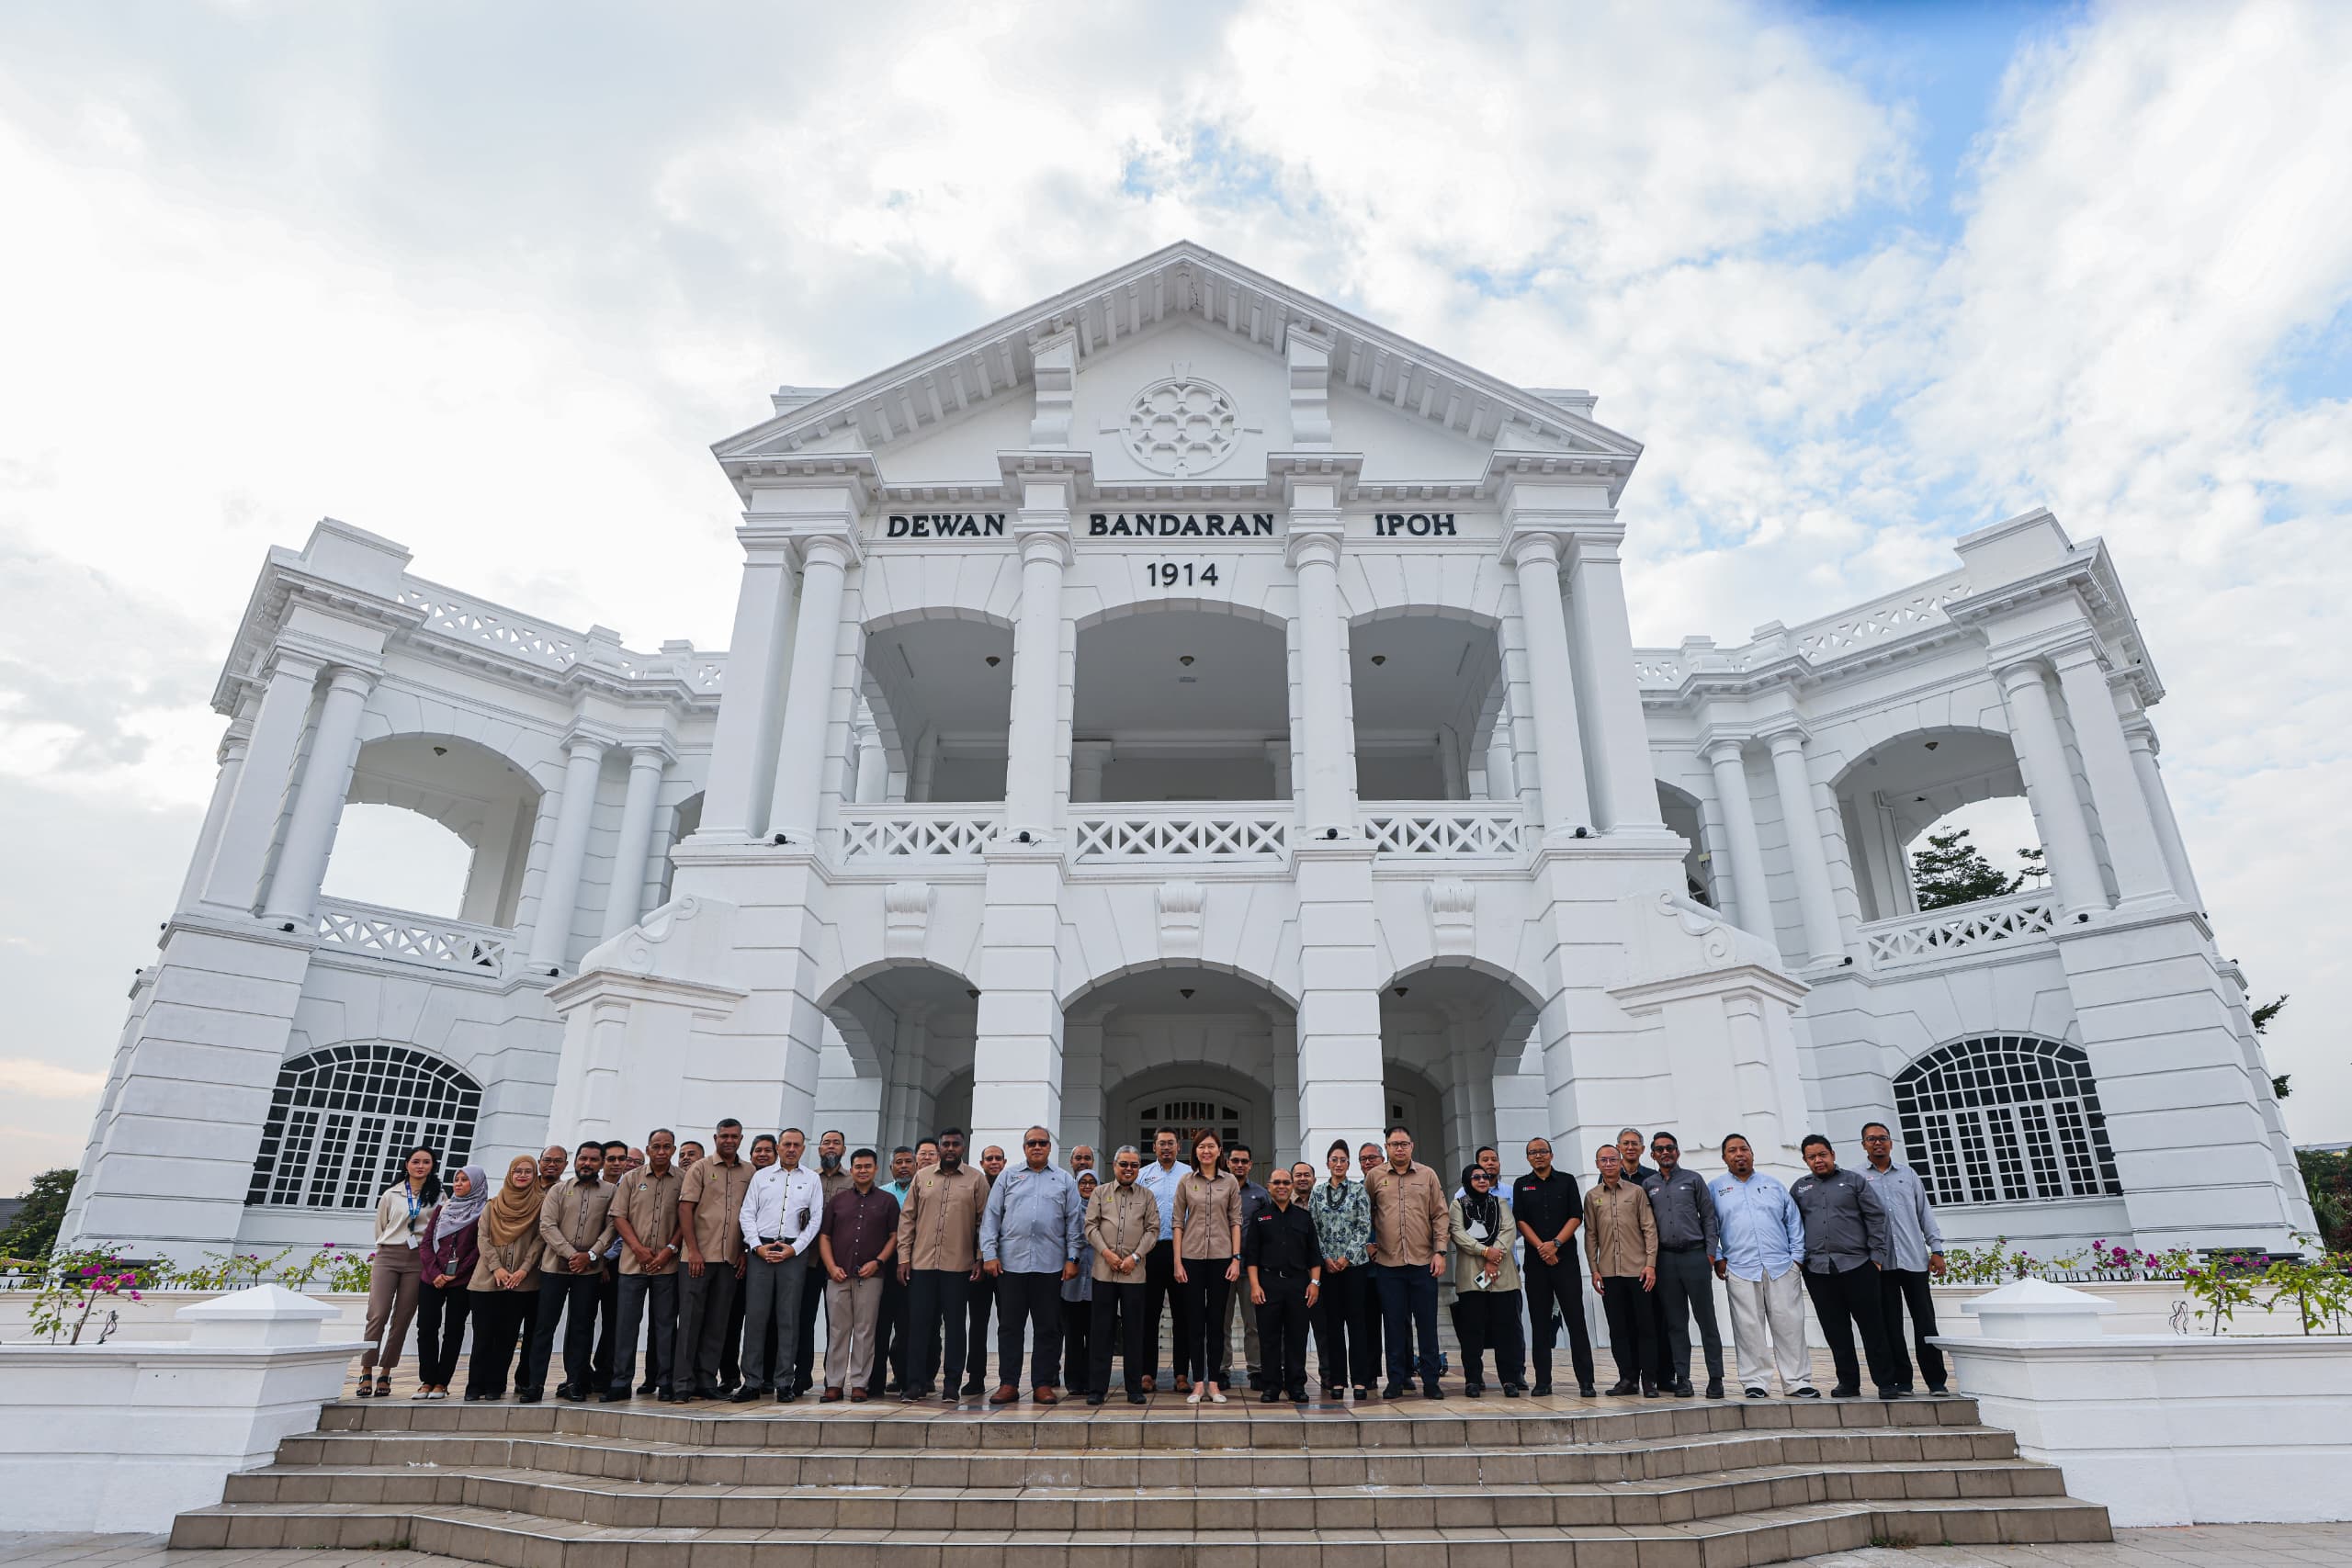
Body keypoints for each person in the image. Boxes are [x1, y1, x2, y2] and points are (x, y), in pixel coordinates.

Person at [1791, 1134, 1902, 1398]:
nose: (1818, 1160)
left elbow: (1876, 1217)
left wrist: (1876, 1257)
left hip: (1858, 1266)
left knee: (1873, 1327)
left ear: (1832, 1154)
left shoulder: (1854, 1181)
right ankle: (1848, 1383)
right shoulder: (1799, 1189)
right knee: (1835, 1330)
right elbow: (1791, 1224)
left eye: (1822, 1155)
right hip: (1818, 1271)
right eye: (1812, 1157)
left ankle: (1886, 1383)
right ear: (1805, 1160)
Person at [981, 1125, 1084, 1404]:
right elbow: (992, 1217)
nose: (1037, 1147)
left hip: (1050, 1266)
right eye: (1031, 1143)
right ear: (1024, 1147)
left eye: (1042, 1143)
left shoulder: (1064, 1180)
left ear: (1050, 1147)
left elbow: (1074, 1223)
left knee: (1048, 1328)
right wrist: (989, 1254)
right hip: (1011, 1265)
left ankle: (1042, 1384)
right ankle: (1008, 1383)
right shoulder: (1008, 1177)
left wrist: (1073, 1257)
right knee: (1010, 1327)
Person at [1710, 1133, 1816, 1399]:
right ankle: (1755, 1381)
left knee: (1790, 1325)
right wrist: (1718, 1256)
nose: (1739, 1154)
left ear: (1752, 1153)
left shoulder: (1773, 1185)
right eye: (1732, 1150)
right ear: (1724, 1158)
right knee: (1748, 1328)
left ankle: (1797, 1381)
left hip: (1781, 1267)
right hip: (1740, 1268)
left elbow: (1793, 1221)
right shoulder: (1715, 1189)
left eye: (1744, 1149)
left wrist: (1796, 1259)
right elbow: (1709, 1227)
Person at [898, 1127, 989, 1403]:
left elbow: (984, 1222)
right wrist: (904, 1257)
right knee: (919, 1326)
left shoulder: (976, 1179)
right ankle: (915, 1383)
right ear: (939, 1147)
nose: (950, 1148)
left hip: (958, 1267)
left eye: (955, 1144)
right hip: (922, 1265)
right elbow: (907, 1219)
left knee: (956, 1327)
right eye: (945, 1144)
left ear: (963, 1148)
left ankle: (952, 1384)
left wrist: (980, 1257)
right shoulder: (922, 1177)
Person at [1860, 1122, 1948, 1395]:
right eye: (1872, 1139)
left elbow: (1924, 1213)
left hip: (1914, 1260)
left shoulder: (1908, 1175)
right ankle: (1903, 1380)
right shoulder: (1857, 1178)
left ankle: (1936, 1380)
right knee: (1891, 1325)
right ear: (1863, 1145)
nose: (1878, 1143)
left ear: (1891, 1143)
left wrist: (1937, 1250)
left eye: (1883, 1138)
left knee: (1925, 1321)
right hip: (1881, 1264)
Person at [737, 1128, 822, 1403]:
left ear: (803, 1148)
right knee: (756, 1317)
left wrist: (795, 1249)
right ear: (778, 1147)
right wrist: (756, 1245)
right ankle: (751, 1381)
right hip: (760, 1251)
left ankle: (784, 1381)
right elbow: (747, 1214)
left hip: (793, 1253)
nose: (791, 1149)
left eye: (797, 1145)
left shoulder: (812, 1179)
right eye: (787, 1144)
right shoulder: (761, 1177)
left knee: (789, 1318)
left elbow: (816, 1219)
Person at [529, 1141, 615, 1403]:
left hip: (589, 1272)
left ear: (601, 1163)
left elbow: (612, 1227)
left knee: (581, 1327)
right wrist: (571, 1255)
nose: (587, 1163)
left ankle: (575, 1382)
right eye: (582, 1158)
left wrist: (590, 1256)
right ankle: (535, 1384)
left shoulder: (611, 1191)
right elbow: (547, 1226)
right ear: (575, 1161)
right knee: (544, 1326)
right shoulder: (558, 1189)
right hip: (554, 1268)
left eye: (593, 1159)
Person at [1643, 1131, 1725, 1399]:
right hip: (1666, 1260)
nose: (1665, 1152)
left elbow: (1709, 1217)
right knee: (1676, 1323)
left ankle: (1716, 1378)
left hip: (1695, 1256)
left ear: (1677, 1152)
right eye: (1659, 1149)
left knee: (1707, 1320)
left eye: (1670, 1148)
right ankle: (1683, 1379)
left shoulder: (1693, 1179)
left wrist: (1710, 1254)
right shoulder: (1648, 1185)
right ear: (1653, 1155)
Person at [1368, 1124, 1449, 1400]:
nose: (1399, 1149)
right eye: (1394, 1144)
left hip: (1423, 1262)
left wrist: (1440, 1252)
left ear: (1412, 1146)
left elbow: (1440, 1215)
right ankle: (1395, 1380)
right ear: (1387, 1148)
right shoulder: (1375, 1177)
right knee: (1393, 1326)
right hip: (1388, 1264)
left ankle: (1431, 1381)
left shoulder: (1427, 1175)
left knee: (1426, 1326)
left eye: (1404, 1144)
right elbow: (1365, 1214)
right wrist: (1368, 1245)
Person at [1513, 1136, 1597, 1398]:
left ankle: (1586, 1381)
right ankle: (1543, 1382)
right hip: (1537, 1263)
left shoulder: (1567, 1181)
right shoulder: (1521, 1184)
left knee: (1576, 1321)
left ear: (1551, 1154)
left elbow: (1576, 1216)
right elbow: (1520, 1220)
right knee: (1539, 1324)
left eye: (1542, 1151)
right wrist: (1542, 1247)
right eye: (1533, 1152)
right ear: (1528, 1158)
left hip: (1565, 1261)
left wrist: (1556, 1244)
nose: (1538, 1155)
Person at [676, 1119, 752, 1400]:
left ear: (741, 1139)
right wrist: (693, 1250)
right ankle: (682, 1384)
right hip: (698, 1258)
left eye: (734, 1136)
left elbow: (750, 1215)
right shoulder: (700, 1168)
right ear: (715, 1138)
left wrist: (743, 1251)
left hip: (729, 1260)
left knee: (717, 1324)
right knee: (690, 1323)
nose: (729, 1140)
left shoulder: (749, 1172)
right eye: (724, 1136)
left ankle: (706, 1382)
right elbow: (685, 1209)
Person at [358, 1145, 441, 1398]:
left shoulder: (439, 1195)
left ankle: (385, 1372)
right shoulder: (391, 1194)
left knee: (403, 1317)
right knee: (378, 1313)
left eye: (426, 1162)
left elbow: (439, 1228)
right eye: (416, 1161)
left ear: (432, 1166)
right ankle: (366, 1369)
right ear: (407, 1164)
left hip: (419, 1259)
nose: (420, 1166)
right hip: (389, 1255)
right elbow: (380, 1226)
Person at [817, 1146, 899, 1402]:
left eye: (867, 1166)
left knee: (865, 1331)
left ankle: (860, 1384)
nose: (863, 1171)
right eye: (858, 1167)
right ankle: (834, 1383)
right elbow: (824, 1236)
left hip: (871, 1277)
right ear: (851, 1170)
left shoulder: (887, 1201)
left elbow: (895, 1236)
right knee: (838, 1331)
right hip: (838, 1276)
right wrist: (831, 1267)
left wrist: (878, 1262)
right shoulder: (838, 1201)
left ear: (876, 1169)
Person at [609, 1129, 683, 1402]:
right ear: (648, 1149)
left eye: (666, 1146)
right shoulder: (631, 1178)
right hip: (632, 1264)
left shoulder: (683, 1179)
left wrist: (668, 1251)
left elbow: (686, 1219)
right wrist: (639, 1249)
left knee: (665, 1325)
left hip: (667, 1265)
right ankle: (620, 1382)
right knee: (626, 1325)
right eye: (656, 1146)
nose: (661, 1151)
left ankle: (665, 1382)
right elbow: (619, 1216)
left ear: (673, 1150)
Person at [464, 1156, 545, 1401]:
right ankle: (474, 1386)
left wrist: (524, 1269)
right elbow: (483, 1238)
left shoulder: (541, 1204)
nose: (522, 1175)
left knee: (507, 1338)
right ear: (510, 1174)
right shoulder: (493, 1205)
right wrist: (497, 1268)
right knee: (482, 1337)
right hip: (487, 1280)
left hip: (521, 1282)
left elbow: (540, 1239)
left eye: (528, 1171)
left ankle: (495, 1386)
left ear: (534, 1175)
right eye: (517, 1171)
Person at [1172, 1129, 1242, 1404]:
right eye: (1201, 1146)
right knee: (1194, 1323)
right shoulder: (1186, 1181)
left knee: (1216, 1322)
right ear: (1195, 1151)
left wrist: (1236, 1258)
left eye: (1211, 1146)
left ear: (1219, 1151)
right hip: (1191, 1258)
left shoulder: (1230, 1181)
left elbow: (1236, 1221)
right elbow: (1177, 1222)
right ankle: (1198, 1384)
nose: (1206, 1151)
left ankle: (1214, 1383)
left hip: (1221, 1258)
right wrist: (1177, 1262)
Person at [1084, 1146, 1157, 1405]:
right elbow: (1090, 1226)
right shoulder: (1100, 1193)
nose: (1128, 1169)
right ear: (1114, 1166)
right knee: (1101, 1331)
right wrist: (1107, 1254)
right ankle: (1097, 1389)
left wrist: (1134, 1257)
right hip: (1104, 1272)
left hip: (1134, 1274)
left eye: (1134, 1165)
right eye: (1124, 1164)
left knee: (1134, 1332)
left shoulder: (1147, 1196)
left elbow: (1152, 1230)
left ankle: (1134, 1388)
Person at [1244, 1162, 1320, 1404]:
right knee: (1269, 1339)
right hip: (1268, 1285)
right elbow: (1252, 1256)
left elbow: (1314, 1255)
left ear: (1292, 1186)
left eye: (1286, 1182)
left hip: (1298, 1285)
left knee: (1297, 1337)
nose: (1281, 1186)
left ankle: (1296, 1386)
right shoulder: (1260, 1217)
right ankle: (1271, 1386)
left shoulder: (1304, 1218)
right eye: (1276, 1182)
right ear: (1268, 1187)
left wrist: (1315, 1283)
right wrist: (1255, 1286)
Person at [1586, 1145, 1658, 1397]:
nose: (1608, 1164)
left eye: (1612, 1159)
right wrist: (1594, 1269)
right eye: (1603, 1160)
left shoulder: (1636, 1192)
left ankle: (1649, 1380)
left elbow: (1649, 1228)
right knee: (1618, 1329)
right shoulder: (1592, 1196)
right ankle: (1627, 1379)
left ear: (1620, 1162)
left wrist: (1651, 1265)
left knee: (1645, 1327)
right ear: (1597, 1164)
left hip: (1639, 1271)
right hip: (1608, 1273)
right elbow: (1591, 1234)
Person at [1450, 1163, 1525, 1397]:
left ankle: (1509, 1380)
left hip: (1502, 1276)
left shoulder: (1500, 1203)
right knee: (1472, 1331)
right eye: (1476, 1177)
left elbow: (1508, 1231)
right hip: (1472, 1278)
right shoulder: (1458, 1205)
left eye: (1485, 1177)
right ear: (1467, 1181)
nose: (1482, 1180)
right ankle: (1473, 1379)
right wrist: (1484, 1251)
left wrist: (1494, 1257)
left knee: (1506, 1331)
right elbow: (1457, 1233)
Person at [1309, 1138, 1376, 1399]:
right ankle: (1337, 1381)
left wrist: (1346, 1257)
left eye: (1343, 1160)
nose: (1339, 1164)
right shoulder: (1317, 1192)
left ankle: (1360, 1380)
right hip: (1328, 1269)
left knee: (1357, 1323)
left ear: (1349, 1164)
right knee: (1333, 1325)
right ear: (1327, 1163)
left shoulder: (1358, 1191)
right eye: (1334, 1160)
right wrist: (1326, 1258)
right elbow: (1313, 1229)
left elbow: (1364, 1226)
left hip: (1355, 1266)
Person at [413, 1162, 484, 1399]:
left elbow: (479, 1248)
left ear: (476, 1183)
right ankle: (427, 1380)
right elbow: (426, 1243)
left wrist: (457, 1273)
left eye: (465, 1180)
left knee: (453, 1331)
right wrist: (435, 1274)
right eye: (456, 1180)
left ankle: (442, 1383)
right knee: (426, 1327)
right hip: (432, 1278)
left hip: (460, 1281)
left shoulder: (482, 1211)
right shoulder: (443, 1208)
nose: (459, 1184)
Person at [792, 1129, 853, 1399]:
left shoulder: (852, 1180)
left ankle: (833, 1378)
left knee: (836, 1323)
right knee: (802, 1318)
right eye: (826, 1142)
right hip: (806, 1259)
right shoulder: (806, 1178)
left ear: (843, 1150)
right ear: (818, 1149)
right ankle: (801, 1374)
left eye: (836, 1143)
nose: (831, 1147)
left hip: (838, 1263)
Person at [1136, 1127, 1187, 1393]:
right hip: (1151, 1251)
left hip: (1182, 1252)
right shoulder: (1143, 1175)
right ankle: (1147, 1373)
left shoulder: (1189, 1174)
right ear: (1154, 1147)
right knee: (1149, 1314)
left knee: (1183, 1316)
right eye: (1161, 1143)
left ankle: (1182, 1374)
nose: (1166, 1148)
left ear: (1179, 1146)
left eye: (1171, 1143)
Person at [866, 1145, 918, 1398]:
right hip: (884, 1265)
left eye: (908, 1161)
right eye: (899, 1162)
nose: (904, 1166)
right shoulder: (882, 1194)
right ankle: (875, 1381)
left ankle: (906, 1379)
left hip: (914, 1265)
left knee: (907, 1326)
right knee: (879, 1325)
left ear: (916, 1165)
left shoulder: (922, 1190)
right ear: (890, 1168)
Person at [1221, 1144, 1270, 1389]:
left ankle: (1256, 1370)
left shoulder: (1260, 1195)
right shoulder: (1218, 1190)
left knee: (1254, 1323)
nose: (1239, 1165)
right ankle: (1222, 1370)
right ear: (1227, 1163)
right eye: (1235, 1161)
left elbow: (1267, 1230)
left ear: (1250, 1165)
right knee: (1222, 1322)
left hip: (1252, 1268)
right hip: (1223, 1266)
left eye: (1244, 1161)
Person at [962, 1142, 1008, 1396]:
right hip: (978, 1265)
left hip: (1006, 1266)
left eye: (998, 1158)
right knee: (978, 1324)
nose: (994, 1162)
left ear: (1004, 1162)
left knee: (1007, 1324)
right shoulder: (974, 1186)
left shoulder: (1012, 1185)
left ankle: (1007, 1379)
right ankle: (976, 1377)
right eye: (989, 1158)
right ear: (982, 1163)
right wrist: (978, 1257)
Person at [1063, 1169, 1098, 1397]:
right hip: (1072, 1282)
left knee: (1095, 1335)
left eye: (1092, 1182)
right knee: (1073, 1336)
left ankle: (1092, 1380)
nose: (1087, 1186)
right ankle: (1074, 1381)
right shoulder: (1069, 1211)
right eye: (1082, 1182)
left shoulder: (1104, 1209)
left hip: (1097, 1280)